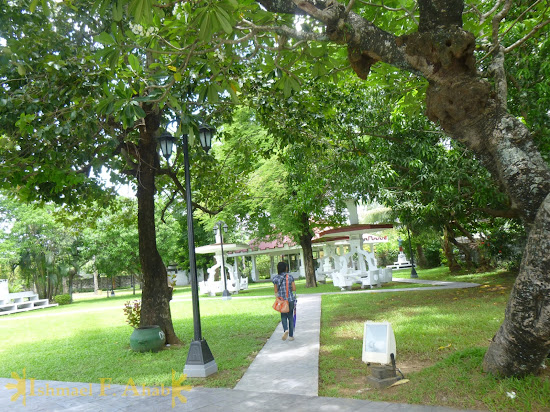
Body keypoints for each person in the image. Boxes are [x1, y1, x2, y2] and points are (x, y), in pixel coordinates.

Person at [273, 261, 296, 341]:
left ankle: (285, 330)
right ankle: (291, 336)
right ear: (286, 268)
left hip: (282, 301)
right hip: (290, 299)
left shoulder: (275, 278)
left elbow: (275, 290)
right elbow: (294, 288)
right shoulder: (290, 277)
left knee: (283, 316)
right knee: (290, 316)